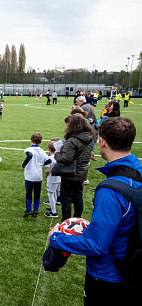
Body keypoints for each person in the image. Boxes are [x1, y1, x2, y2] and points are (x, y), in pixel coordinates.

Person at [49, 117, 140, 305]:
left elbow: (96, 245)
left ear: (102, 141)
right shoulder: (138, 172)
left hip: (109, 277)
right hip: (133, 266)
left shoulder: (110, 191)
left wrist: (56, 238)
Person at [54, 115, 94, 221]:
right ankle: (77, 219)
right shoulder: (89, 138)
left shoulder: (73, 140)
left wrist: (57, 154)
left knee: (66, 199)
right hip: (82, 172)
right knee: (78, 197)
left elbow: (66, 159)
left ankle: (66, 222)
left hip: (70, 173)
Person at [22, 133, 51, 218]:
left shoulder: (28, 149)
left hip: (29, 176)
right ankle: (35, 211)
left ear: (31, 140)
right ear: (40, 142)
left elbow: (30, 155)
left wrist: (23, 164)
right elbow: (49, 161)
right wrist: (41, 165)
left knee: (29, 193)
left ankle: (28, 210)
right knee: (37, 194)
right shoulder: (42, 151)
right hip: (38, 177)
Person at [44, 141, 61, 218]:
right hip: (59, 178)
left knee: (50, 194)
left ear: (48, 149)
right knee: (54, 193)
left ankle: (53, 212)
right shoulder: (59, 156)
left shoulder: (50, 158)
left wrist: (46, 176)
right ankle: (52, 208)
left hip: (52, 179)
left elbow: (48, 170)